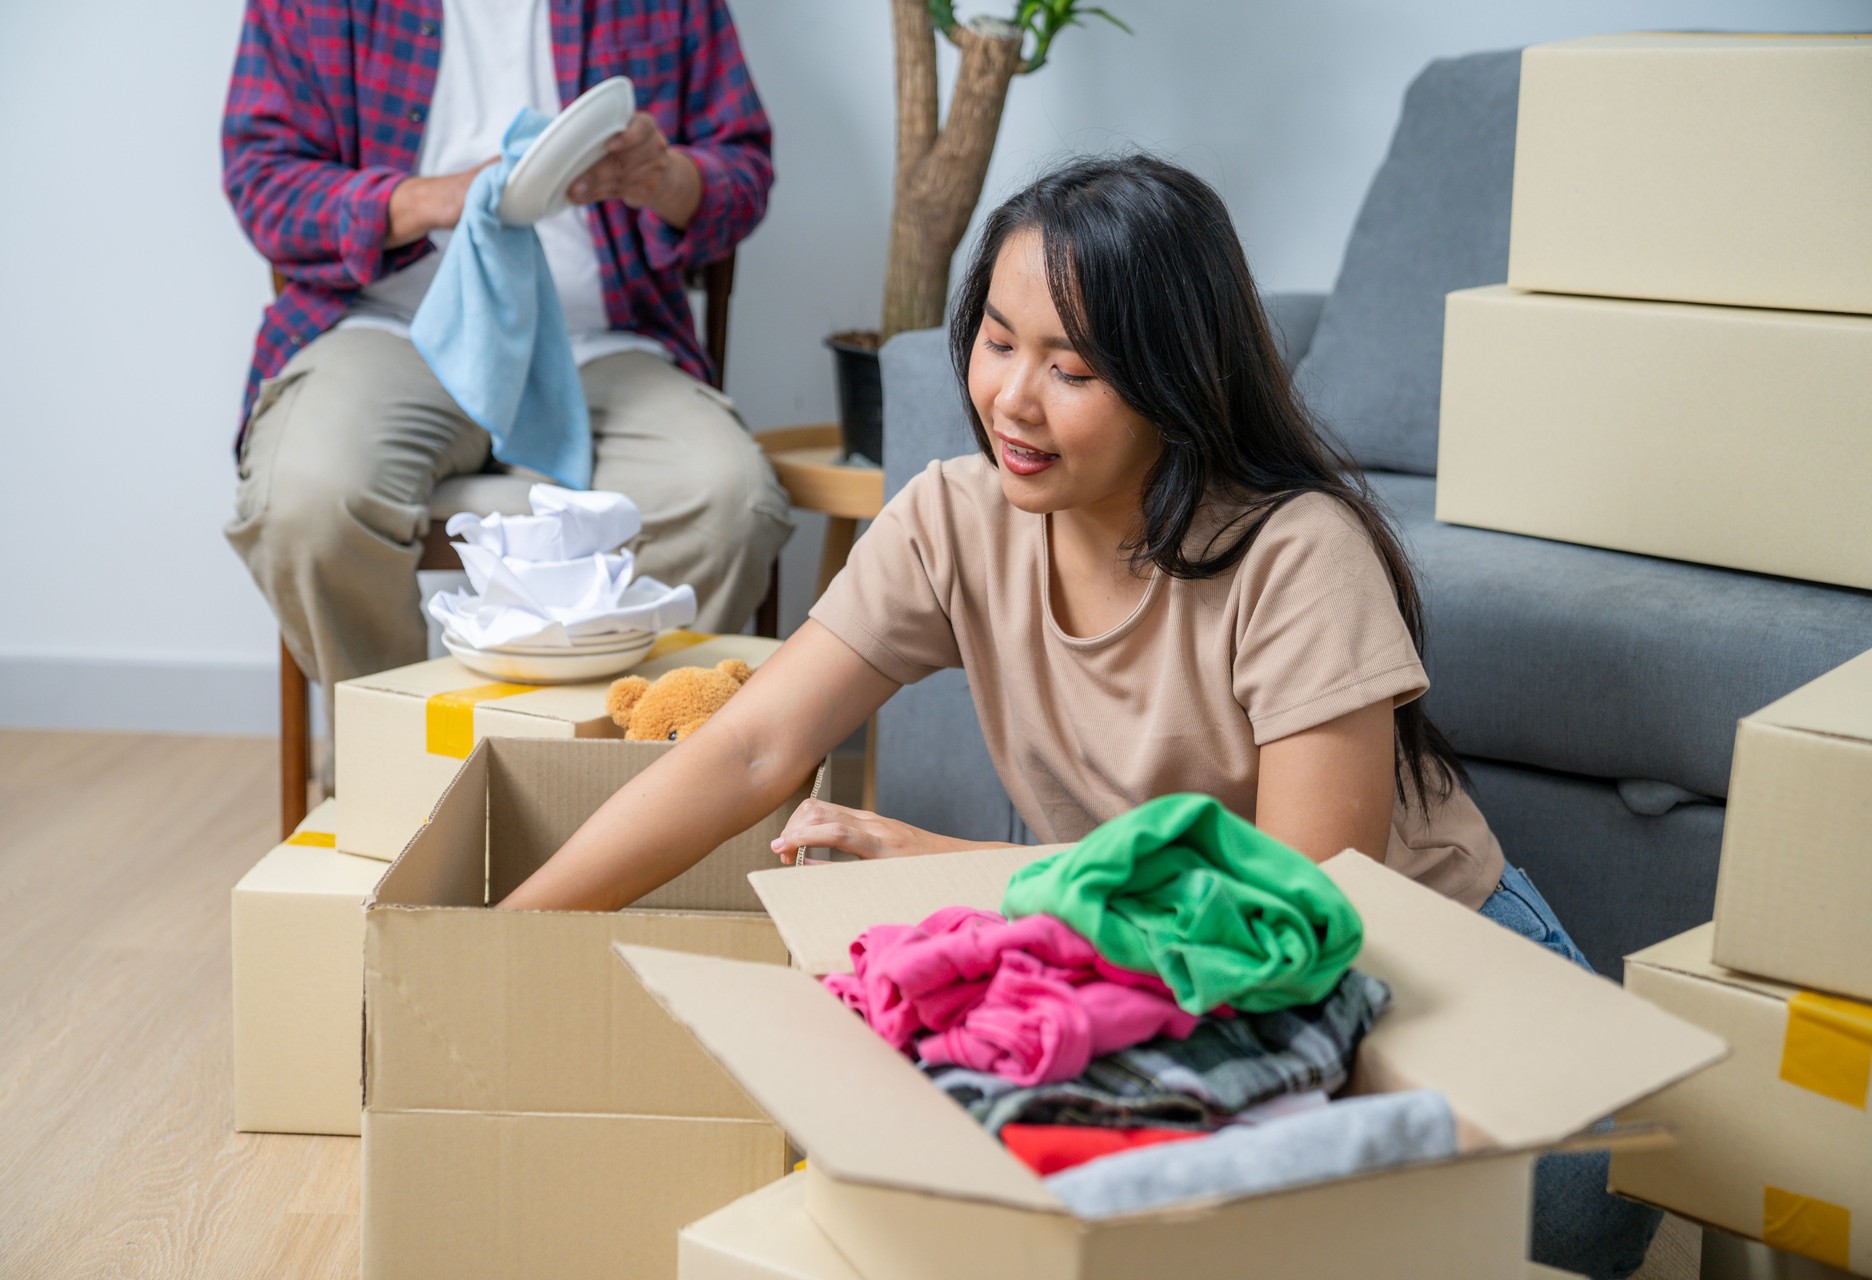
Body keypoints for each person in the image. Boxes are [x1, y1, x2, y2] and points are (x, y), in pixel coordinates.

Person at [497, 153, 1659, 1279]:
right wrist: (506, 931)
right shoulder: (953, 519)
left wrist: (952, 868)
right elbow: (752, 743)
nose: (1012, 396)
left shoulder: (1297, 551)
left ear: (1176, 379)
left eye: (1074, 368)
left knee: (1543, 1230)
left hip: (1427, 977)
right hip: (1175, 984)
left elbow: (1303, 891)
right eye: (999, 342)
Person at [219, 0, 792, 766]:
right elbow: (262, 180)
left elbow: (742, 172)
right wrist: (433, 198)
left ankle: (619, 782)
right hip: (392, 328)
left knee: (727, 499)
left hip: (601, 336)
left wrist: (665, 176)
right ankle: (400, 771)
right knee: (308, 499)